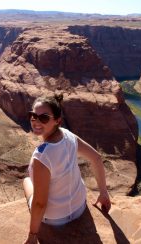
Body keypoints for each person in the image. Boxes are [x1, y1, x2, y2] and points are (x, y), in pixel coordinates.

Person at [22, 94, 111, 244]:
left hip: (54, 219)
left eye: (43, 118)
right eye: (32, 116)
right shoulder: (68, 135)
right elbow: (96, 158)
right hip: (79, 207)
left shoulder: (41, 157)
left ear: (57, 120)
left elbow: (39, 204)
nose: (36, 121)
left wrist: (32, 236)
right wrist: (103, 192)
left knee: (26, 181)